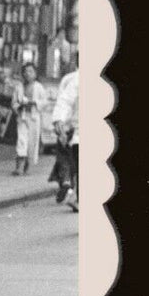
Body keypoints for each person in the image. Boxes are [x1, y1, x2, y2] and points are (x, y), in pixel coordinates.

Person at [52, 54, 80, 212]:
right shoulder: (76, 79)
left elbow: (62, 100)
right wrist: (59, 120)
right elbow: (65, 101)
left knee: (67, 159)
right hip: (76, 131)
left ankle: (69, 185)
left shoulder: (71, 79)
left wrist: (59, 121)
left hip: (73, 131)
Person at [12, 62, 46, 175]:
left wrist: (34, 103)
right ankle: (19, 167)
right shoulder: (19, 87)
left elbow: (44, 102)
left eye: (30, 71)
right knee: (21, 141)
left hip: (34, 118)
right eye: (25, 71)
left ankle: (27, 165)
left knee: (32, 143)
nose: (27, 74)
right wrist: (19, 106)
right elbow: (14, 103)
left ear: (35, 74)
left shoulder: (39, 87)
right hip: (22, 117)